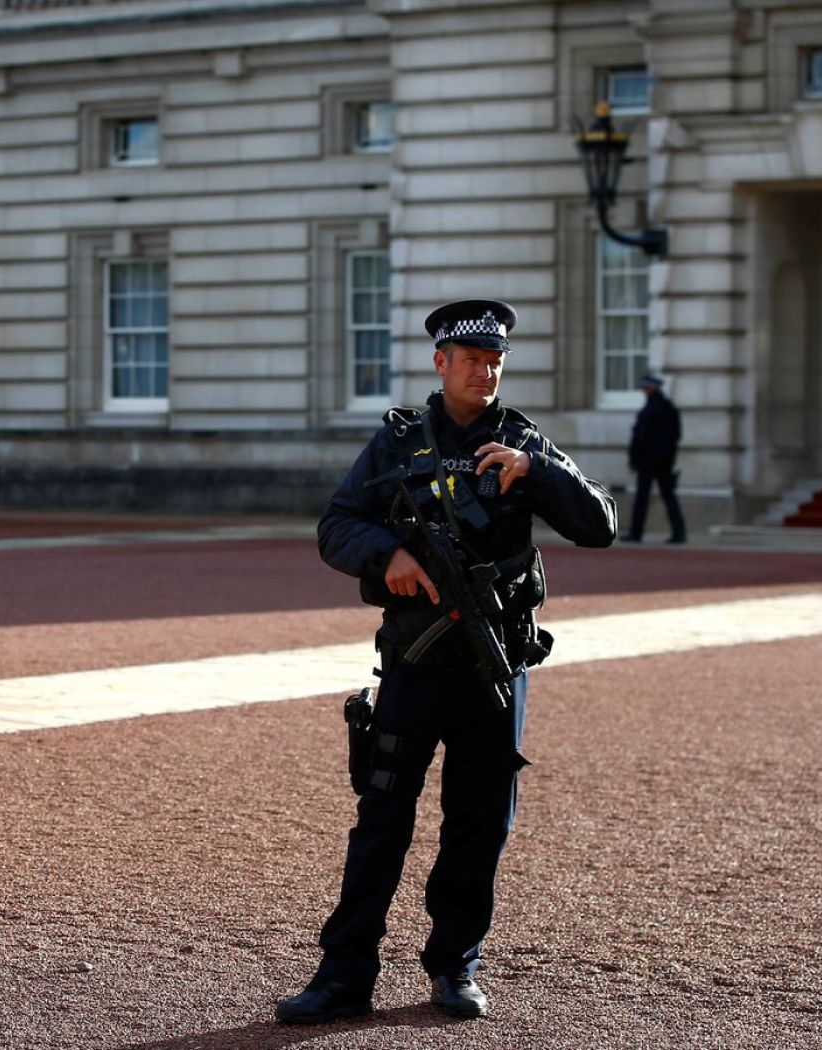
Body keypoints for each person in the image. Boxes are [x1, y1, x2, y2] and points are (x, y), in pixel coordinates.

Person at [275, 300, 617, 1025]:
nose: (485, 371)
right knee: (381, 822)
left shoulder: (524, 443)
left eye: (495, 361)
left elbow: (600, 526)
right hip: (414, 660)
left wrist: (538, 473)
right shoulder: (398, 444)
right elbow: (336, 525)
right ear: (441, 362)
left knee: (479, 823)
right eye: (472, 360)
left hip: (493, 670)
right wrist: (386, 554)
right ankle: (344, 976)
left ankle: (455, 967)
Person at [625, 373, 686, 543]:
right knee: (668, 497)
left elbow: (641, 437)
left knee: (644, 499)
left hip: (650, 462)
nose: (644, 391)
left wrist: (637, 458)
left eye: (646, 388)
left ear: (652, 388)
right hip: (661, 462)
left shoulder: (653, 409)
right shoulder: (667, 408)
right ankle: (678, 532)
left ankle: (636, 533)